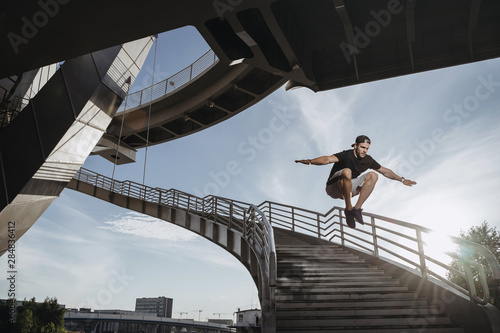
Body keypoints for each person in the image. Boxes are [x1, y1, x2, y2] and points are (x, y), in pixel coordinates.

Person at [295, 135, 416, 228]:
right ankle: (348, 209)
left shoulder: (368, 160)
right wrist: (311, 161)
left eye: (367, 149)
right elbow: (327, 159)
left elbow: (385, 171)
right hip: (334, 187)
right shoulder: (346, 155)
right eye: (362, 147)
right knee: (346, 171)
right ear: (355, 145)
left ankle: (357, 209)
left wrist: (402, 180)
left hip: (349, 188)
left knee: (373, 175)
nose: (364, 151)